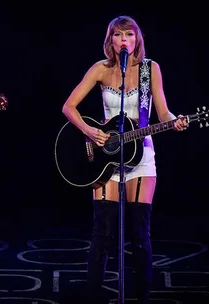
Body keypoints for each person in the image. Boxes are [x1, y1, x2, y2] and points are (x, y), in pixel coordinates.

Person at [62, 15, 188, 303]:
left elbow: (162, 112)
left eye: (129, 35)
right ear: (111, 41)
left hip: (141, 154)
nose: (124, 40)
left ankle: (142, 296)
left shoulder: (149, 69)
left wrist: (175, 121)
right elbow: (69, 107)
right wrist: (90, 131)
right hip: (106, 157)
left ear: (136, 40)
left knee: (140, 233)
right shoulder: (101, 69)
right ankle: (92, 296)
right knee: (102, 232)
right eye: (118, 35)